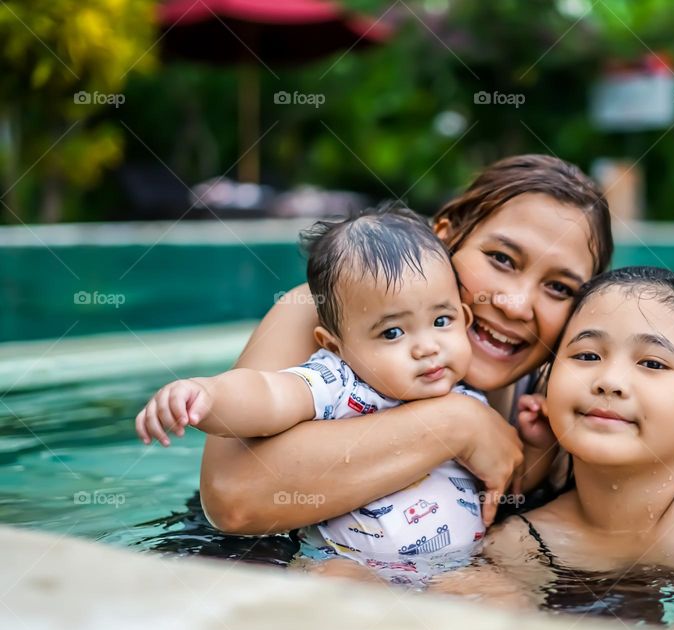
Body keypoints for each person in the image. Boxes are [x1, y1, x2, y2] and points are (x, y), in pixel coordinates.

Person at [166, 155, 614, 535]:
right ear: (445, 236)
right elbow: (233, 500)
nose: (517, 306)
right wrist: (457, 423)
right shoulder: (322, 310)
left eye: (559, 288)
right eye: (501, 259)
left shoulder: (559, 392)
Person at [435, 266, 674, 630]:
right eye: (587, 356)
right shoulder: (522, 542)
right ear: (548, 391)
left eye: (652, 362)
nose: (610, 382)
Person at [136, 204, 498, 583]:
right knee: (341, 584)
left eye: (442, 321)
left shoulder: (469, 393)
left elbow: (513, 472)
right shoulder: (340, 381)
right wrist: (208, 395)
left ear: (465, 320)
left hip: (457, 569)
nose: (427, 347)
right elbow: (268, 394)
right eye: (392, 332)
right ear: (335, 346)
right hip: (351, 565)